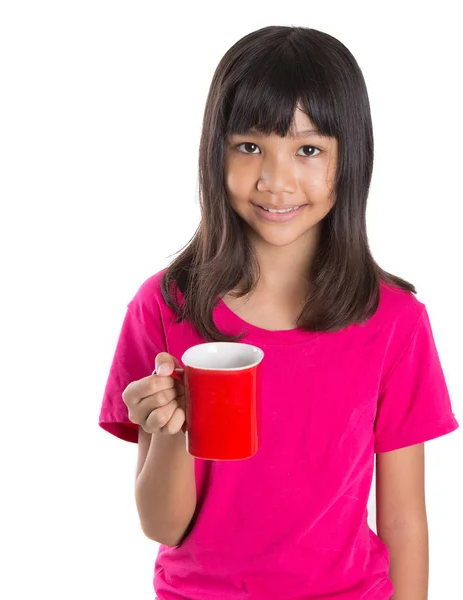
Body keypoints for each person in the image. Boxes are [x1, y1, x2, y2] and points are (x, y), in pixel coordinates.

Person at [98, 25, 459, 600]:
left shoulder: (395, 321)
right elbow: (162, 526)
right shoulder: (166, 308)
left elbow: (404, 522)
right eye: (249, 146)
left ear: (351, 159)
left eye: (308, 150)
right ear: (214, 151)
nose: (275, 180)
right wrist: (166, 429)